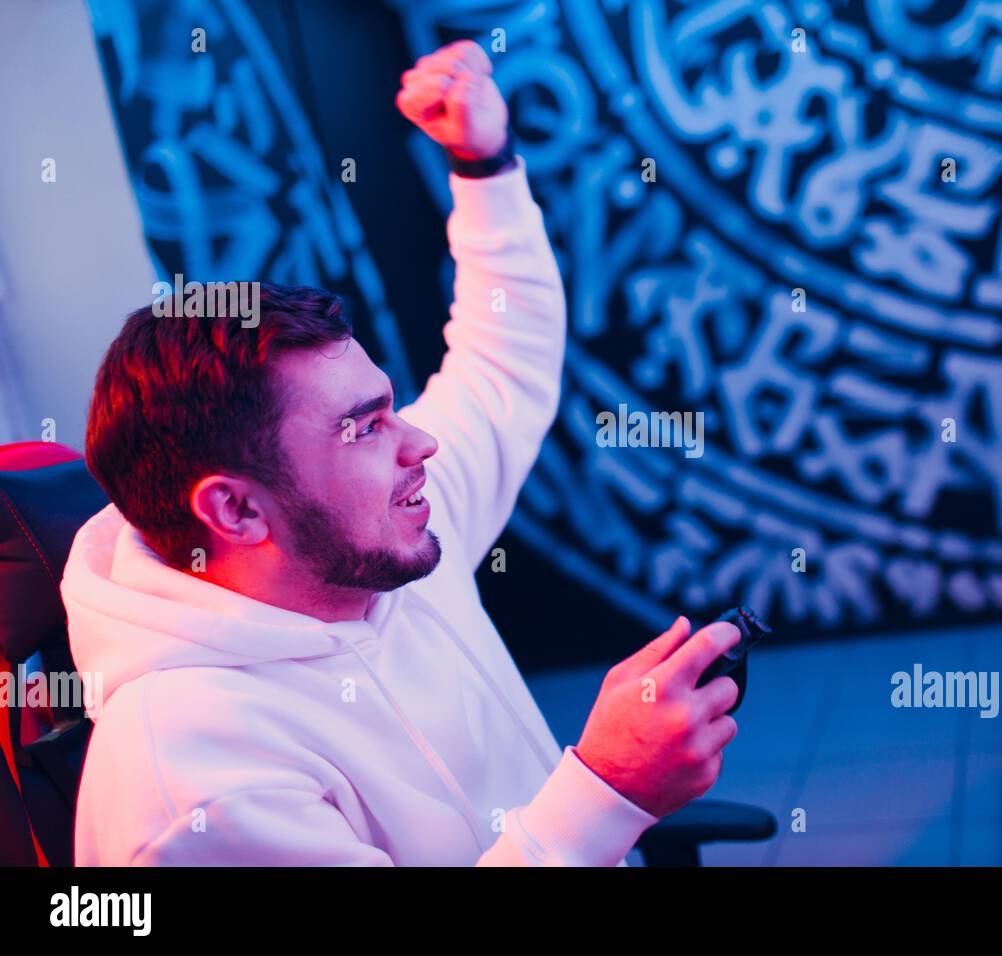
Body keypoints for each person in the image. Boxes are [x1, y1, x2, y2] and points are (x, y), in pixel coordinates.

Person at [63, 40, 741, 866]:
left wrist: (484, 166)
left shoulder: (369, 541)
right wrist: (607, 791)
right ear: (236, 509)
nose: (419, 443)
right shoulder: (191, 786)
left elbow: (503, 360)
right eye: (364, 427)